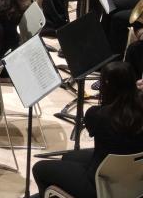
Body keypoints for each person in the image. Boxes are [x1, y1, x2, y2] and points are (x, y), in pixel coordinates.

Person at [32, 61, 143, 198]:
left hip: (99, 183)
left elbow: (94, 128)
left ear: (107, 85)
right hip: (134, 177)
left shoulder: (97, 115)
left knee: (39, 168)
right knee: (69, 156)